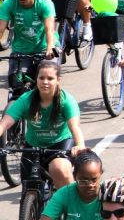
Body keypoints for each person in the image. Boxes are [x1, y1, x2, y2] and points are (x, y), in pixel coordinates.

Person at [0, 60, 84, 189]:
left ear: (58, 80)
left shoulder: (67, 101)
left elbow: (75, 127)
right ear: (36, 79)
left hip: (59, 144)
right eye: (41, 78)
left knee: (59, 169)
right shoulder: (26, 100)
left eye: (50, 78)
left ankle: (71, 205)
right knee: (28, 186)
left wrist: (79, 145)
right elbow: (5, 123)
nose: (45, 82)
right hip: (33, 146)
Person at [0, 0, 58, 89]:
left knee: (47, 83)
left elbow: (49, 28)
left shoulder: (45, 4)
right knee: (15, 84)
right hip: (20, 50)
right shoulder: (8, 4)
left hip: (44, 48)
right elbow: (1, 29)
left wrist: (50, 47)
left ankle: (55, 104)